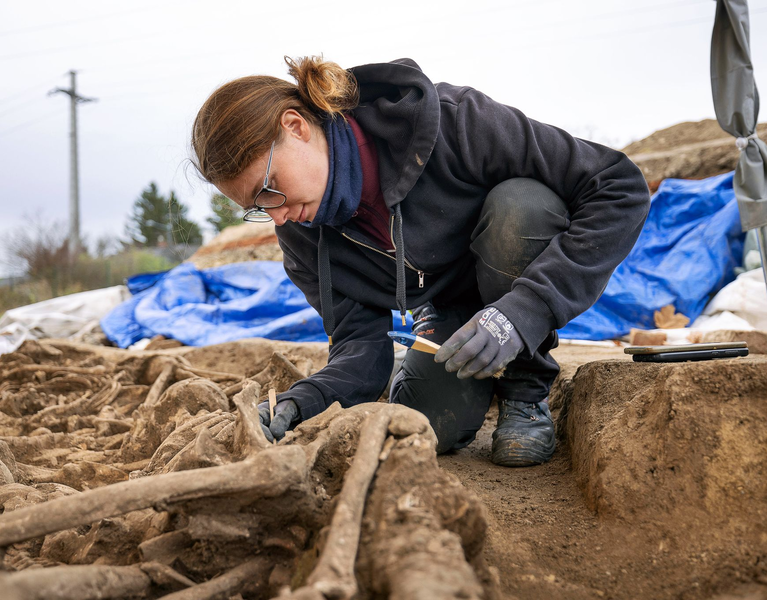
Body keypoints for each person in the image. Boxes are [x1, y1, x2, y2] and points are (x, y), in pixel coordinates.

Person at [191, 56, 649, 466]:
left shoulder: (454, 123)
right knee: (433, 427)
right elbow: (359, 344)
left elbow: (617, 185)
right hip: (449, 313)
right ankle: (426, 365)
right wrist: (302, 403)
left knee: (521, 207)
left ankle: (524, 392)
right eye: (257, 206)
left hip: (514, 280)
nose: (275, 213)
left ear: (296, 126)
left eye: (269, 187)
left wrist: (524, 313)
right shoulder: (300, 232)